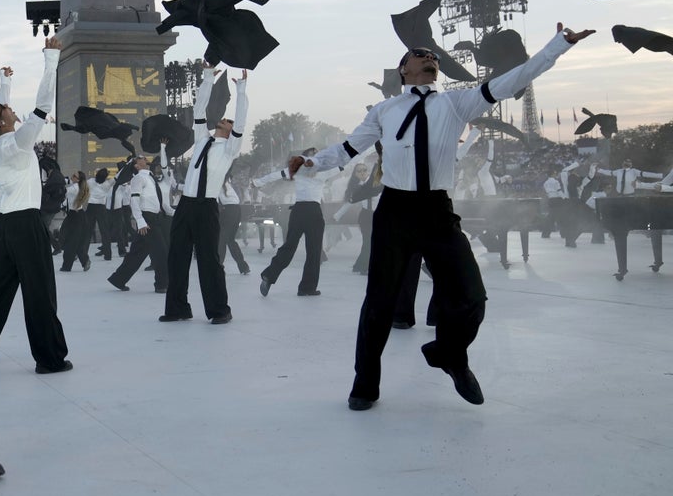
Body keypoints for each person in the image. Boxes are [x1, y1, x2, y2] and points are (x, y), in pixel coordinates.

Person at [300, 24, 593, 411]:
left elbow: (513, 80)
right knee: (379, 303)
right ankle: (365, 384)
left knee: (472, 297)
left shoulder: (457, 103)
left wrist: (559, 45)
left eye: (434, 57)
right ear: (403, 68)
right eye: (422, 54)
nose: (431, 58)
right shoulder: (384, 111)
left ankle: (449, 353)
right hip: (395, 210)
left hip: (437, 210)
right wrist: (310, 162)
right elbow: (346, 149)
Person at [0, 39, 72, 374]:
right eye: (6, 109)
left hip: (7, 224)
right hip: (25, 224)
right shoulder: (19, 143)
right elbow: (43, 102)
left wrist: (5, 83)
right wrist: (52, 58)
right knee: (40, 291)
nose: (10, 108)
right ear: (5, 121)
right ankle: (49, 359)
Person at [162, 64, 249, 324]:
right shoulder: (202, 139)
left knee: (209, 261)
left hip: (207, 207)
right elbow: (199, 109)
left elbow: (241, 121)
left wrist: (241, 90)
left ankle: (219, 310)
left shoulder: (229, 150)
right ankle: (178, 309)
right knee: (176, 256)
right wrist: (208, 78)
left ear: (231, 130)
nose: (225, 119)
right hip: (186, 205)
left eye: (228, 121)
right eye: (225, 118)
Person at [256, 147, 340, 296]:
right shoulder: (322, 172)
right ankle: (307, 288)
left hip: (298, 210)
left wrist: (257, 182)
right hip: (313, 211)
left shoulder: (297, 171)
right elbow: (346, 161)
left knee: (289, 246)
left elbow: (274, 176)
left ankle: (270, 274)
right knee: (314, 252)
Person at [107, 153, 170, 293]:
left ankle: (118, 279)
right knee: (161, 252)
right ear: (136, 165)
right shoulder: (138, 178)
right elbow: (134, 200)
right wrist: (140, 221)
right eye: (140, 158)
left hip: (154, 217)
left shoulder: (149, 177)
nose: (144, 158)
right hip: (147, 220)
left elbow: (155, 199)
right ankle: (162, 285)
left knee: (137, 253)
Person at [59, 172, 92, 272]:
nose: (72, 176)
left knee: (70, 242)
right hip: (77, 216)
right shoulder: (78, 187)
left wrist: (60, 180)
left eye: (74, 176)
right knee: (73, 241)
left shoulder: (73, 188)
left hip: (75, 217)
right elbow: (68, 200)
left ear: (78, 180)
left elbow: (63, 191)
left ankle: (67, 266)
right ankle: (84, 260)